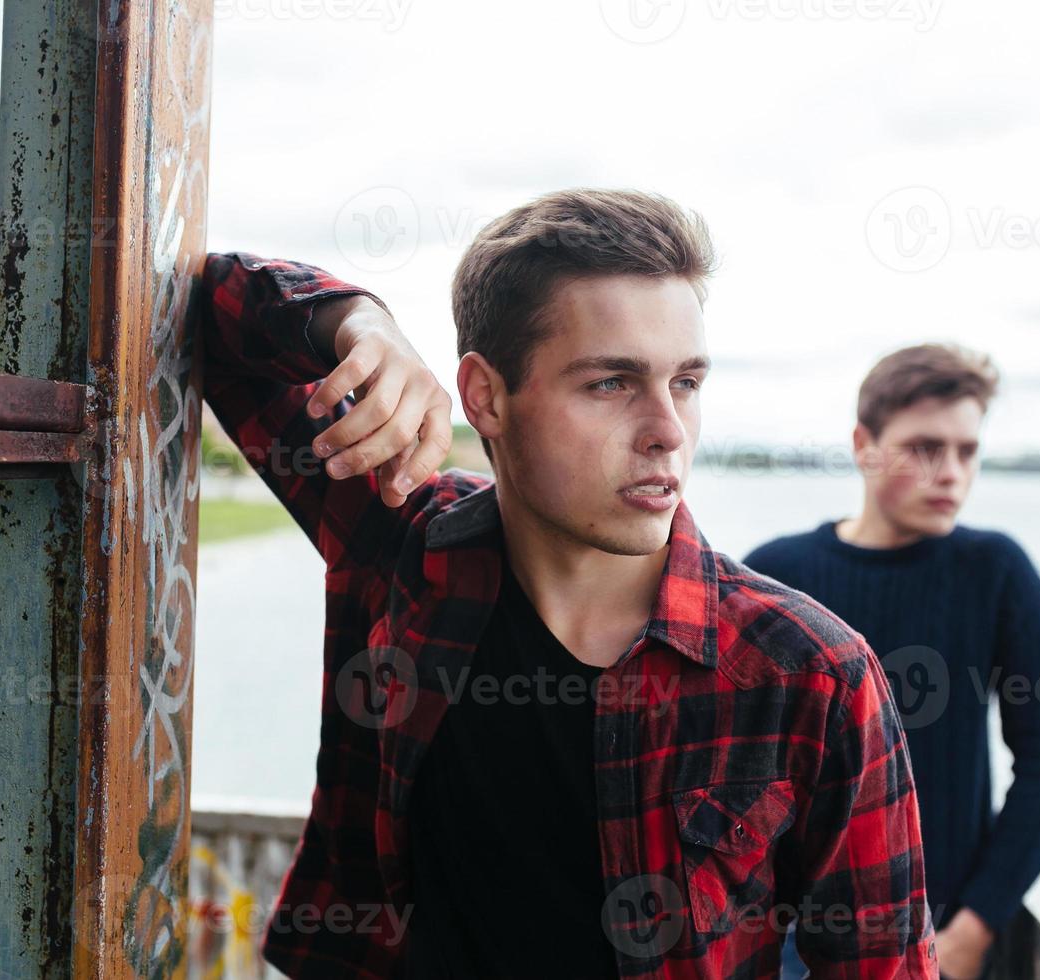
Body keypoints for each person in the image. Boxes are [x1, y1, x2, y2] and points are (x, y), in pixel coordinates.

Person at [196, 190, 937, 978]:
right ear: (485, 396)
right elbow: (208, 306)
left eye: (685, 382)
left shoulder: (810, 672)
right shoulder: (400, 541)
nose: (668, 431)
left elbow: (882, 965)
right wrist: (358, 320)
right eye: (612, 383)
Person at [743, 344, 1040, 980]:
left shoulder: (995, 572)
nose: (952, 472)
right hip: (788, 938)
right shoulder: (777, 574)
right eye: (927, 447)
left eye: (967, 451)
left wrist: (973, 927)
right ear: (863, 445)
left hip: (941, 930)